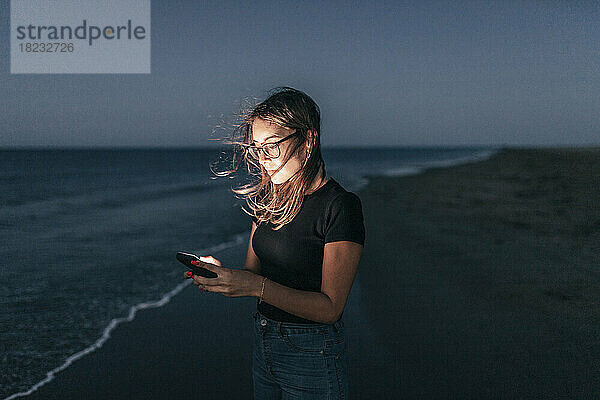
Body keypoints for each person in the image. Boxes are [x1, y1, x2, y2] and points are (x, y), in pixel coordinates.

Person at [184, 87, 365, 399]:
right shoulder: (267, 200)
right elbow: (253, 274)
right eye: (256, 148)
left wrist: (255, 287)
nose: (261, 160)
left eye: (271, 147)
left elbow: (330, 308)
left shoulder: (340, 206)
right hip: (263, 340)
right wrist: (224, 276)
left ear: (309, 140)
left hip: (312, 352)